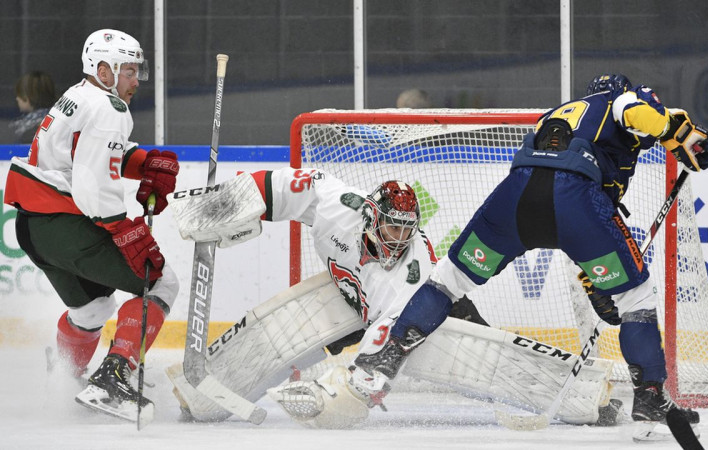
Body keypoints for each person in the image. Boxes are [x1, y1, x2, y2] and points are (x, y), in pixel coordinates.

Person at [342, 74, 708, 428]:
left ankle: (387, 357)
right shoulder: (617, 100)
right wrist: (680, 134)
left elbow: (549, 186)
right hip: (575, 200)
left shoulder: (562, 112)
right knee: (634, 298)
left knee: (448, 279)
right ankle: (650, 397)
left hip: (516, 197)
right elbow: (634, 115)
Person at [166, 169, 620, 429]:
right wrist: (223, 207)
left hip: (416, 314)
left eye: (408, 228)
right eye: (391, 226)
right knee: (279, 335)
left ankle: (587, 396)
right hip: (348, 298)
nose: (399, 238)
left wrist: (347, 384)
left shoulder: (413, 267)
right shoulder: (333, 203)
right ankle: (198, 394)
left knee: (484, 353)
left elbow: (393, 334)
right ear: (369, 216)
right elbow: (273, 187)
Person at [3, 29, 180, 423]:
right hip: (65, 223)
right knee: (162, 282)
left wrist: (143, 163)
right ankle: (111, 380)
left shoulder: (77, 96)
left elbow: (82, 153)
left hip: (33, 227)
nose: (136, 81)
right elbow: (91, 185)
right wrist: (123, 231)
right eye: (129, 71)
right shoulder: (109, 108)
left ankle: (64, 381)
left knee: (93, 310)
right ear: (103, 70)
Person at [9, 71, 57, 144]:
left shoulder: (31, 132)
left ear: (27, 97)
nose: (17, 99)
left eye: (19, 94)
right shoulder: (56, 119)